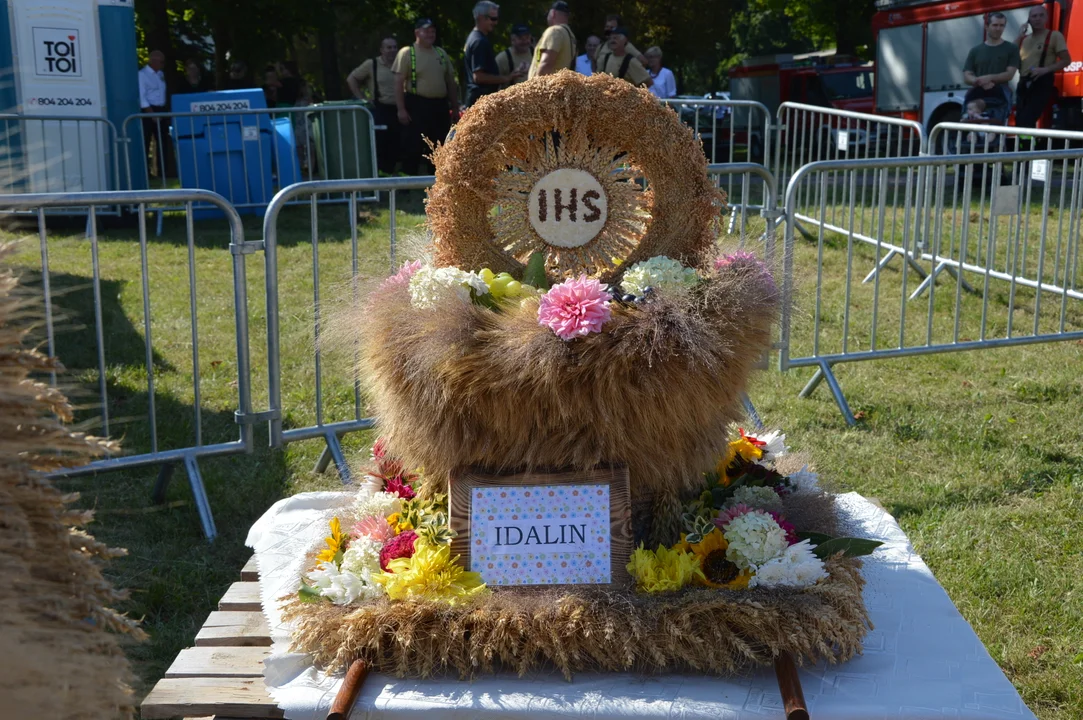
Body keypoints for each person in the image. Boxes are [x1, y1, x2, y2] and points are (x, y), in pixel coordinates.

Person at [393, 18, 460, 175]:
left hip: (439, 106)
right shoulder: (407, 53)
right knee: (413, 144)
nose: (431, 34)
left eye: (433, 31)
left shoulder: (440, 53)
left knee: (439, 144)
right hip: (417, 104)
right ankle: (408, 180)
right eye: (426, 30)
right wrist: (401, 109)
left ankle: (436, 180)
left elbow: (450, 82)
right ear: (417, 33)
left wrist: (455, 107)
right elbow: (398, 82)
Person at [347, 37, 401, 174]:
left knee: (397, 141)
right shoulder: (372, 64)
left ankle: (391, 171)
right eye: (388, 47)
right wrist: (363, 99)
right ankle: (380, 172)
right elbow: (351, 79)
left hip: (400, 108)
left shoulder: (402, 63)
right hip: (380, 108)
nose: (392, 50)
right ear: (381, 50)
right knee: (381, 142)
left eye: (395, 47)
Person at [1016, 4, 1071, 128]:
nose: (1037, 19)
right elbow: (1010, 55)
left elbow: (1066, 60)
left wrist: (1045, 70)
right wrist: (1019, 35)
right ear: (1029, 20)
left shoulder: (1054, 36)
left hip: (1041, 82)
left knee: (1027, 119)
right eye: (1034, 16)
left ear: (1046, 18)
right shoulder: (1024, 39)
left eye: (1041, 15)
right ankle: (1022, 146)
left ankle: (1026, 146)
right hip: (1024, 82)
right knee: (1020, 120)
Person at [962, 12, 1020, 125]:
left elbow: (1009, 74)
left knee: (994, 129)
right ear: (986, 26)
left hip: (999, 97)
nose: (998, 28)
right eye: (995, 25)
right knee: (972, 127)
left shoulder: (1011, 48)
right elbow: (967, 75)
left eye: (1001, 25)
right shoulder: (975, 50)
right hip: (977, 94)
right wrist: (980, 81)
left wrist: (988, 78)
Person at [463, 1, 522, 108]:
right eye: (493, 19)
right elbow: (478, 77)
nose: (495, 23)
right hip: (479, 101)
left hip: (478, 99)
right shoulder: (479, 41)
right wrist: (506, 78)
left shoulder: (475, 37)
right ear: (481, 17)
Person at [139, 50, 170, 178]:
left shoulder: (160, 74)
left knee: (162, 142)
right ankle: (146, 173)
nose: (163, 65)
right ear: (153, 61)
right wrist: (151, 113)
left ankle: (162, 172)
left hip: (161, 108)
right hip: (149, 110)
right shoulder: (142, 74)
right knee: (146, 141)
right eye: (161, 62)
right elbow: (142, 96)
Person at [529, 1, 577, 79]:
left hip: (546, 87)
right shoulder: (570, 35)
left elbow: (546, 64)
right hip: (559, 86)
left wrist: (533, 88)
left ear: (553, 13)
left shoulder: (555, 31)